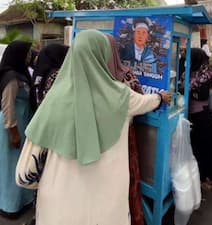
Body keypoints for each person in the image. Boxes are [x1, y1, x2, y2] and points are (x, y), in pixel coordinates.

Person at [16, 30, 171, 225]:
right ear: (103, 57)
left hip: (58, 207)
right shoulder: (121, 95)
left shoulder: (53, 99)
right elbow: (146, 102)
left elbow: (24, 175)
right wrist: (160, 97)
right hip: (106, 206)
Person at [24, 43, 69, 225]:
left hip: (40, 131)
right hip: (54, 134)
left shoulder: (39, 74)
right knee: (52, 177)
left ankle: (38, 215)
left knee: (41, 175)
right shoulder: (57, 75)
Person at [106, 34, 144, 225]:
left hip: (97, 137)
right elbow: (140, 98)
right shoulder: (127, 75)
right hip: (123, 135)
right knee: (125, 176)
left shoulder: (89, 74)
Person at [0, 41, 34, 218]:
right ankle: (9, 206)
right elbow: (7, 106)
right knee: (11, 165)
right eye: (27, 53)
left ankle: (22, 200)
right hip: (12, 126)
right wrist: (13, 132)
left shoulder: (20, 74)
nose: (30, 57)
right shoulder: (11, 78)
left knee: (19, 163)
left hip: (21, 124)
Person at [187, 48, 212, 191]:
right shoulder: (190, 71)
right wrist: (191, 92)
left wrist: (188, 91)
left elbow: (202, 95)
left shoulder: (205, 74)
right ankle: (200, 175)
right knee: (196, 147)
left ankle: (211, 177)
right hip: (191, 114)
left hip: (202, 115)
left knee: (206, 147)